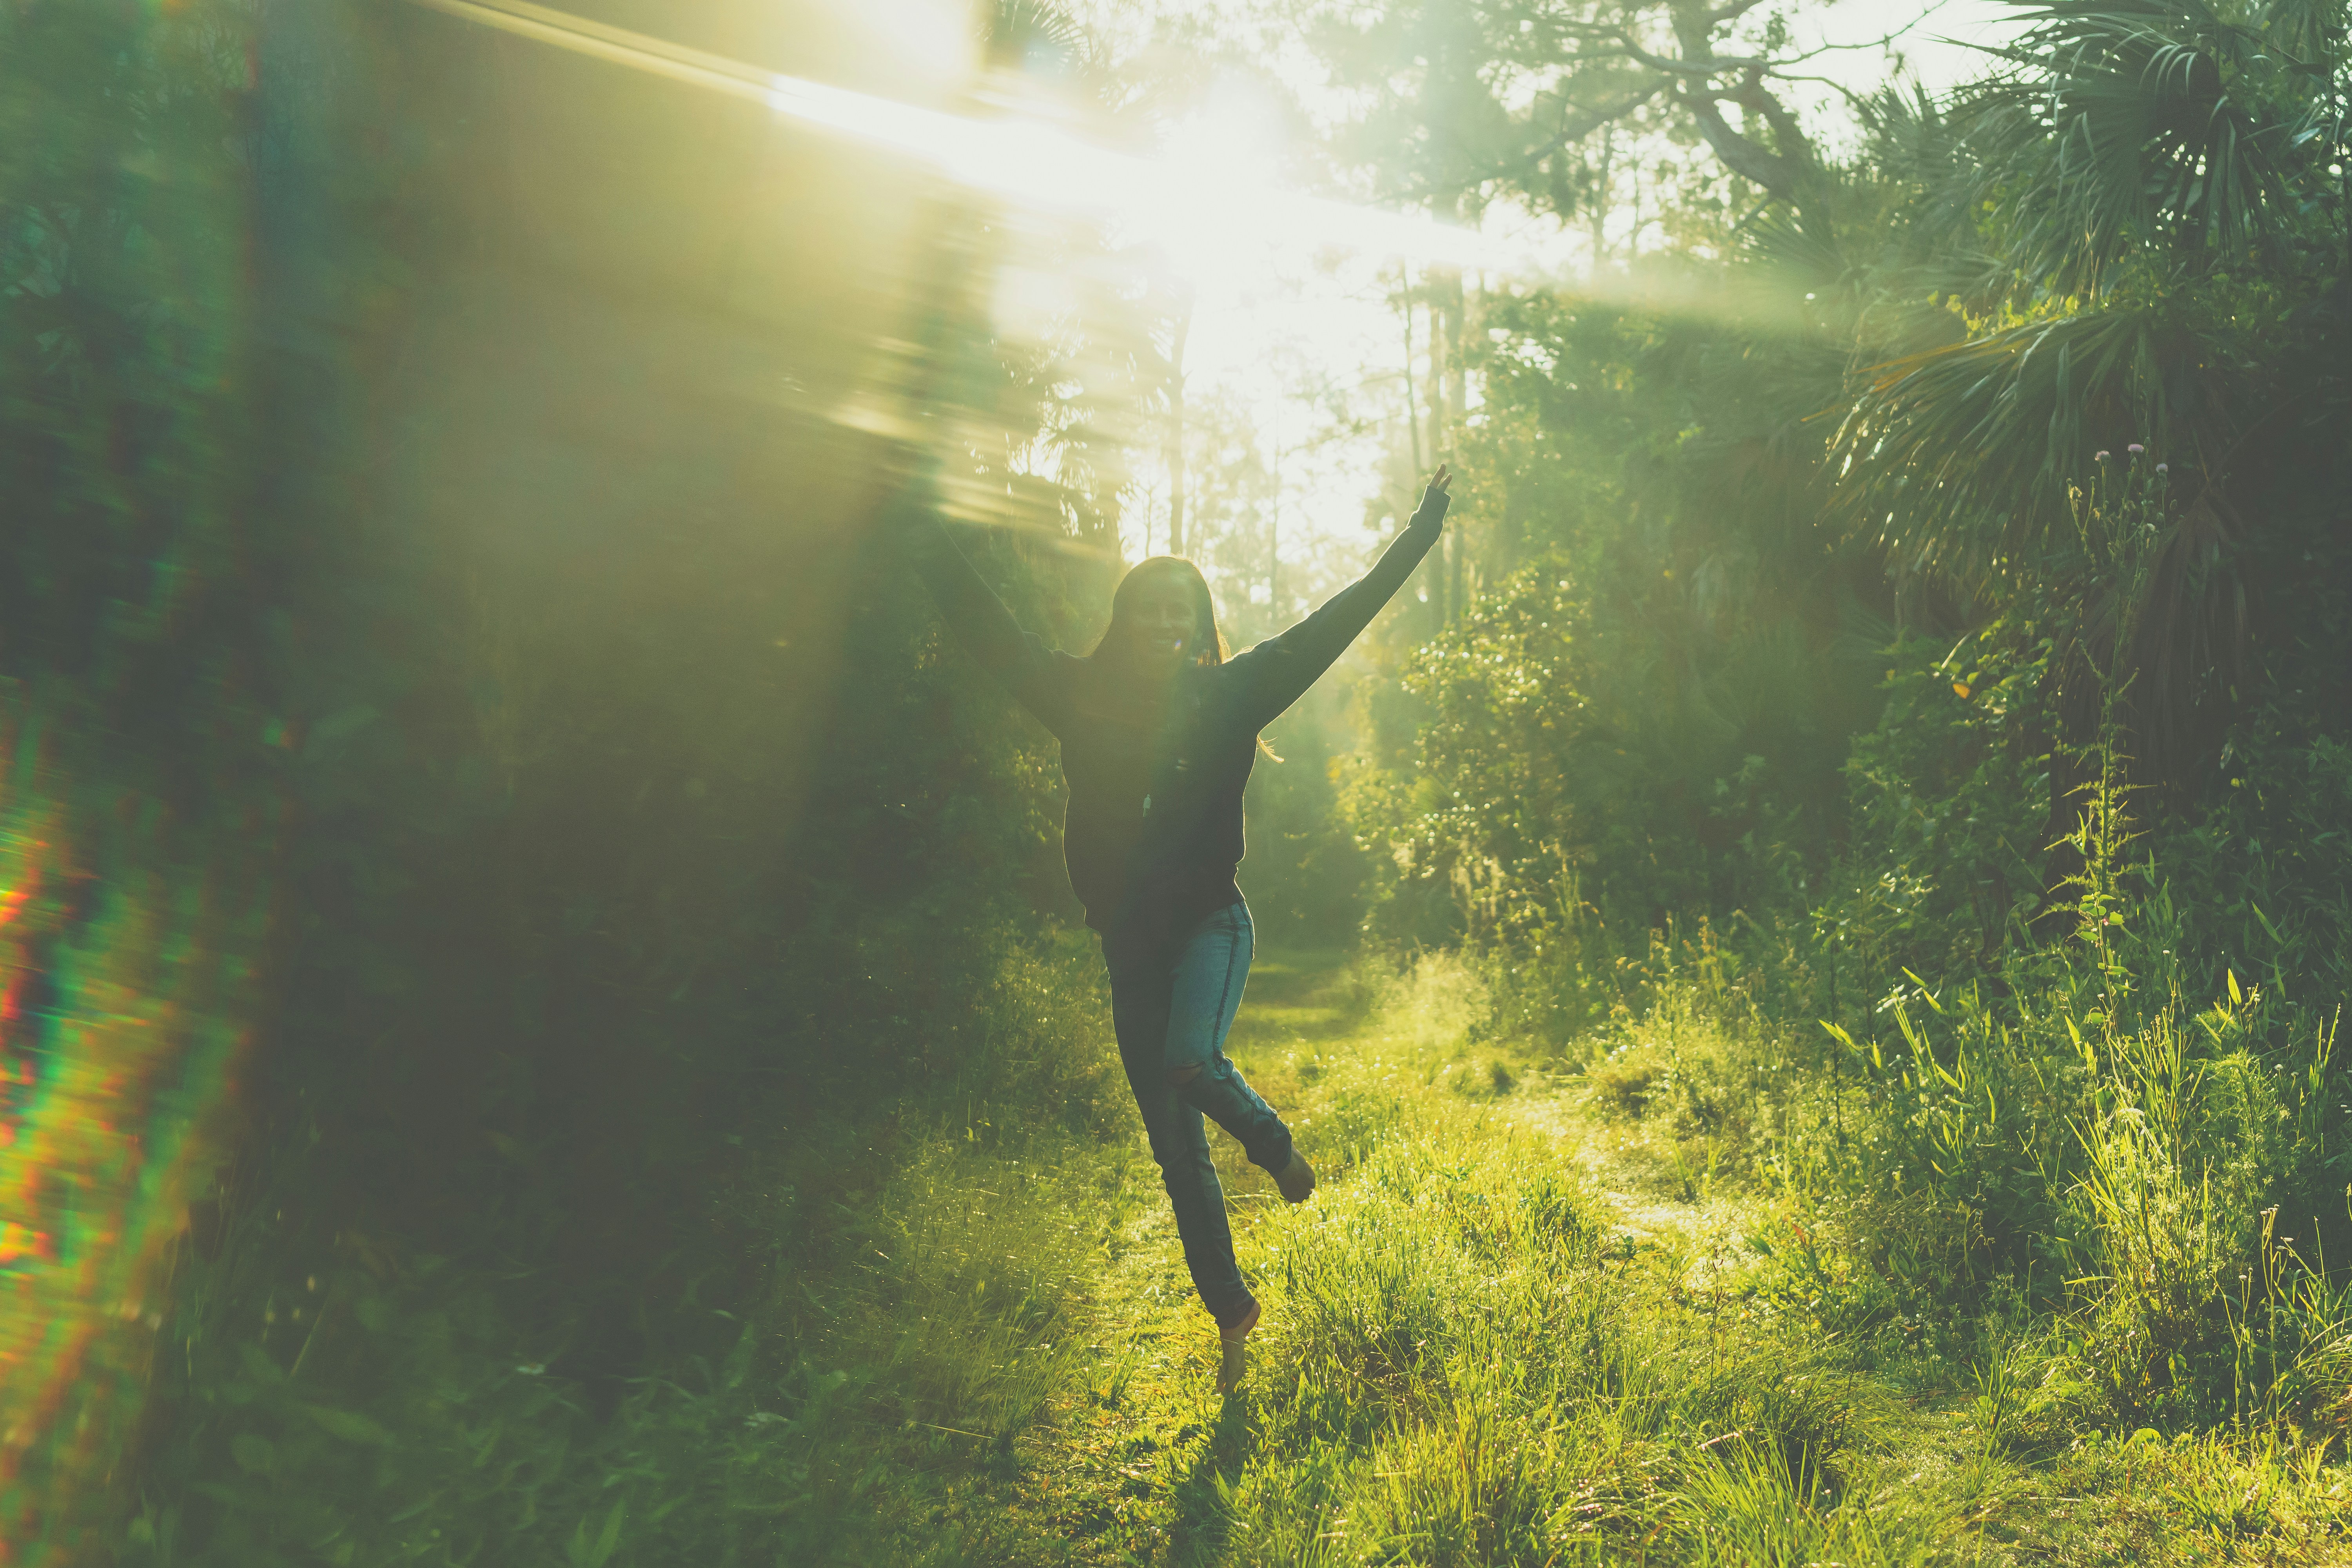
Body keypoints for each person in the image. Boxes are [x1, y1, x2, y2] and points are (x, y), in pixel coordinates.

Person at [883, 457, 1453, 1392]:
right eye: (1148, 606)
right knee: (1175, 1149)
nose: (1163, 621)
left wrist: (1418, 536)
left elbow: (1333, 624)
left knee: (1190, 1059)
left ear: (1198, 626)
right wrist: (914, 519)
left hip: (1211, 928)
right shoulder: (1076, 695)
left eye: (1180, 609)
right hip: (1130, 948)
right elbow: (987, 625)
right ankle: (1232, 1316)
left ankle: (1273, 1144)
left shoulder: (1234, 694)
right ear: (1125, 619)